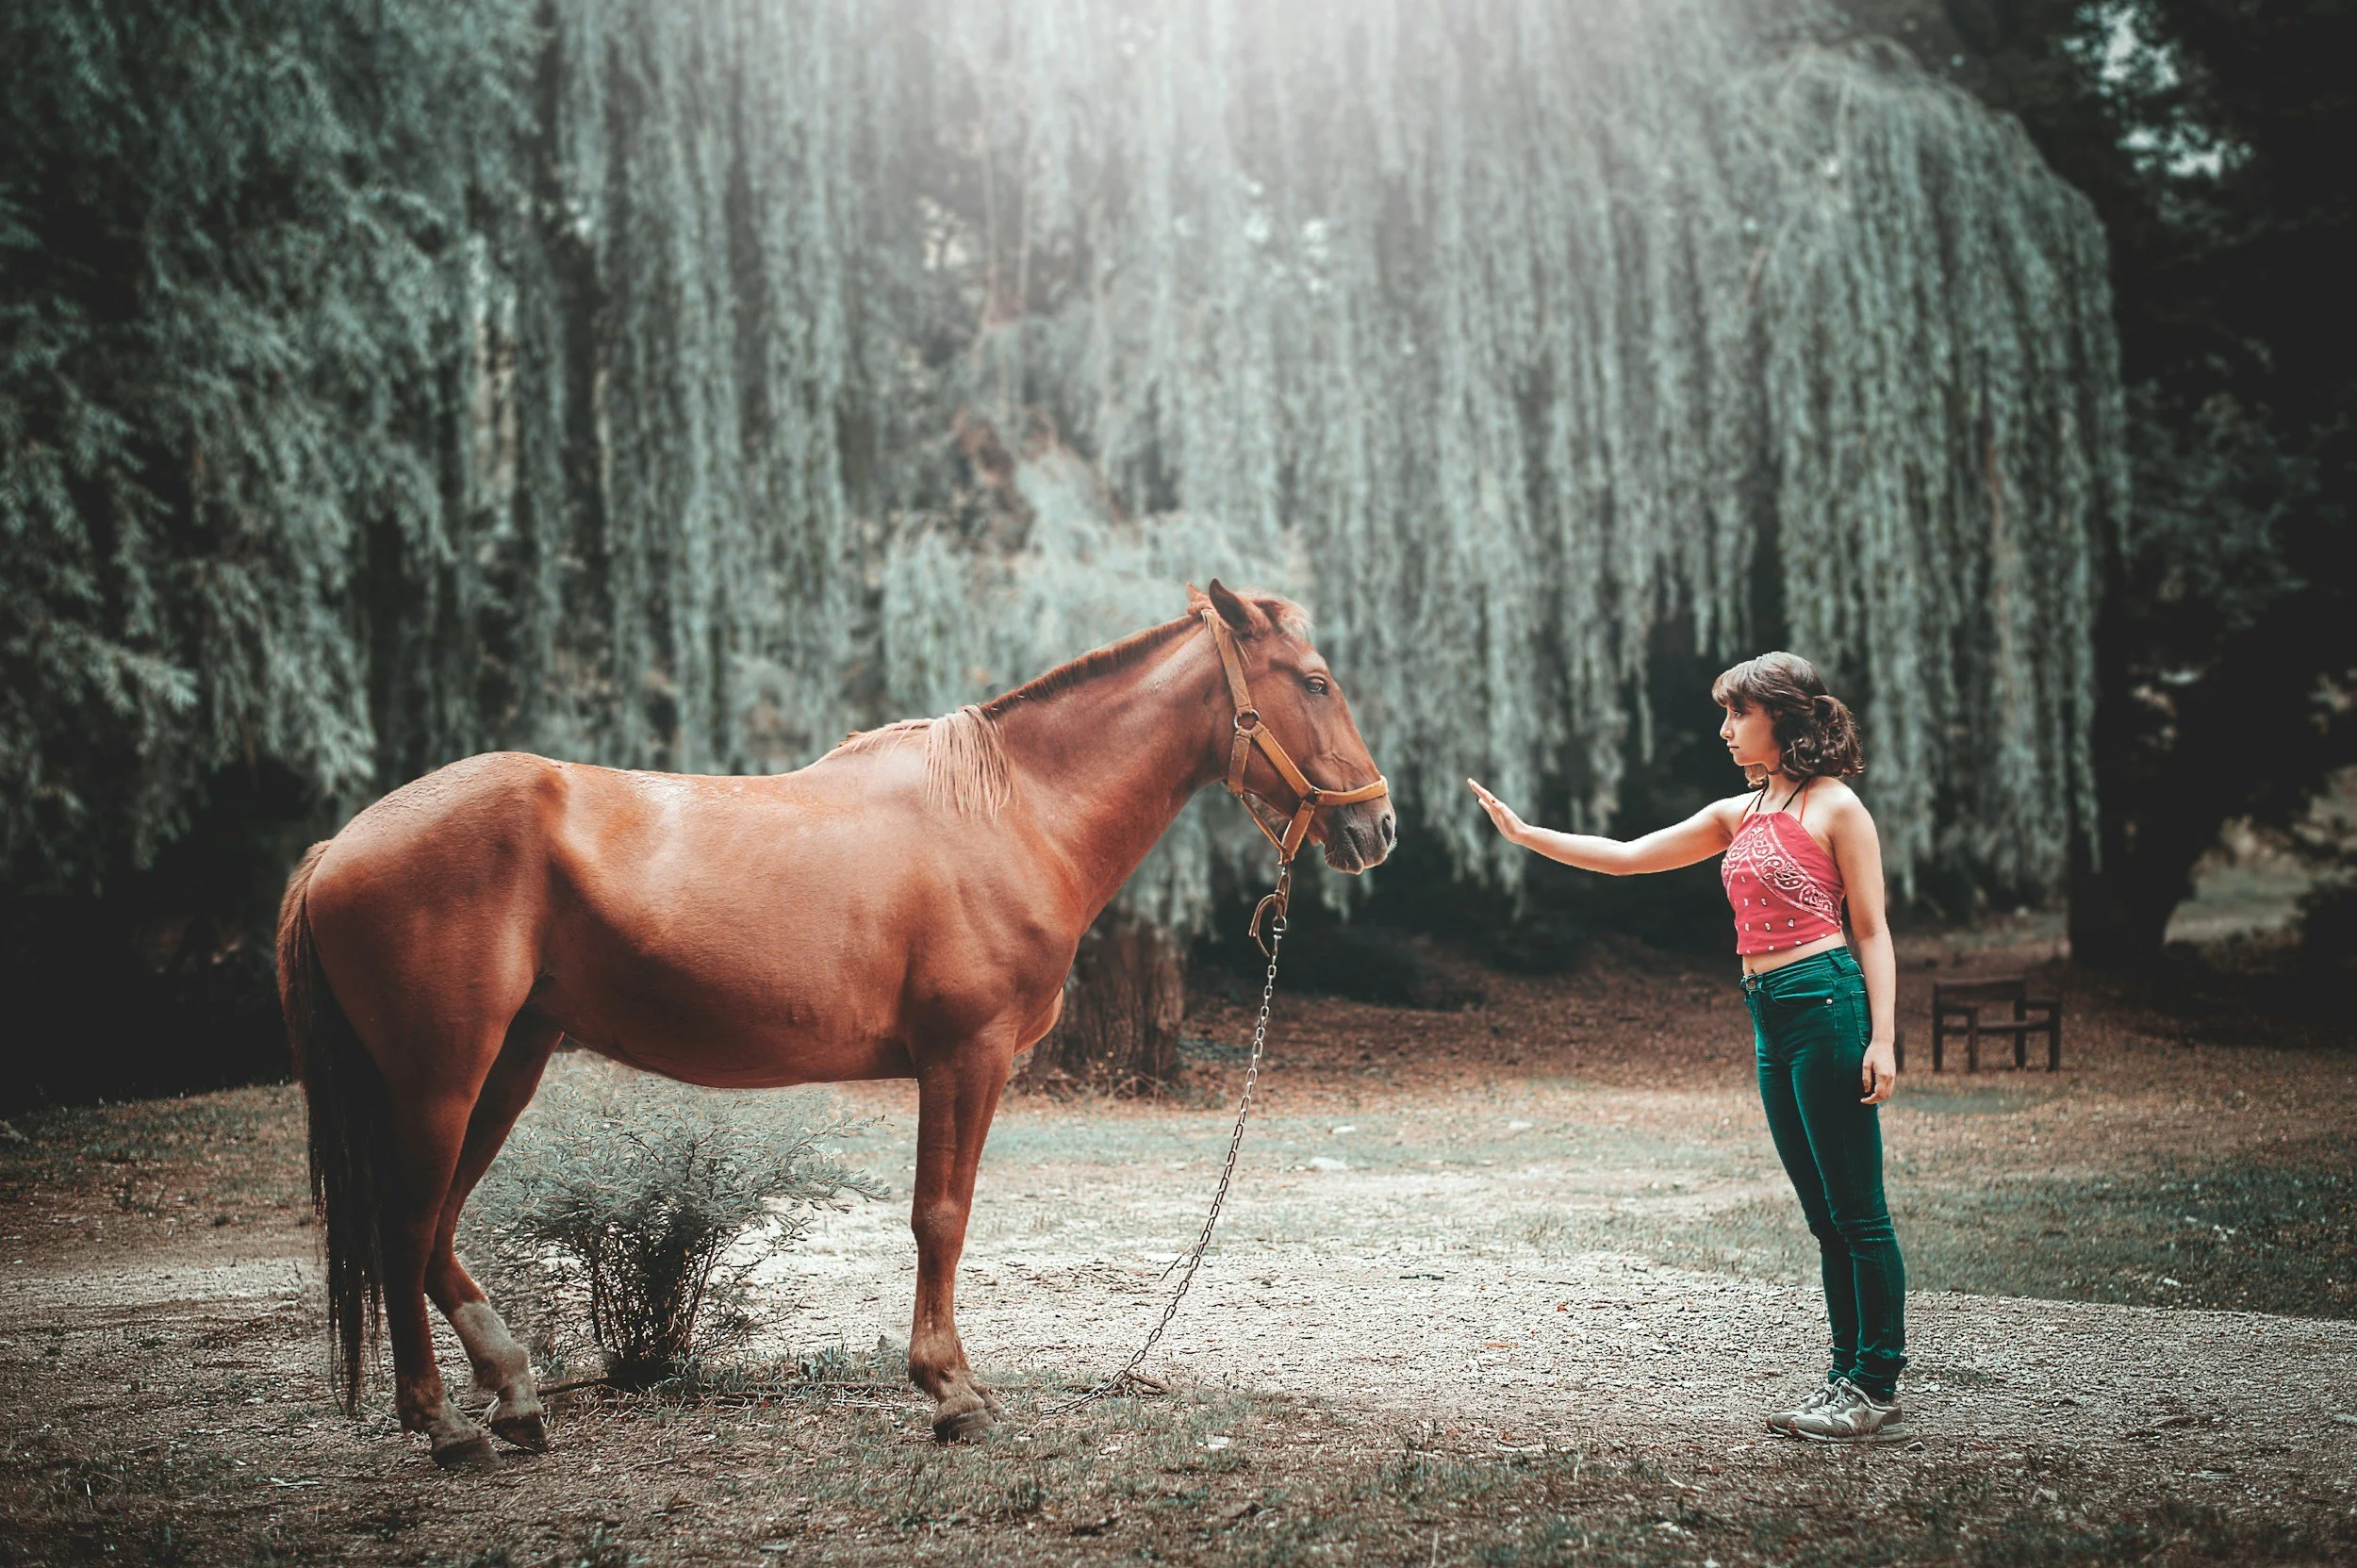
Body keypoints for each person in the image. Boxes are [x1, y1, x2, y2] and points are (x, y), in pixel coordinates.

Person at [1467, 652, 1905, 1442]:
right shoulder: (1739, 813)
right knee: (1822, 1214)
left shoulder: (1838, 807)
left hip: (1827, 1001)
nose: (1725, 729)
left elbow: (1871, 929)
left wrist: (1883, 1037)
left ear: (1782, 715)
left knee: (1858, 1212)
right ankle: (1844, 1376)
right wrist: (1527, 834)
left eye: (1738, 713)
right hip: (1770, 1012)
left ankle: (1875, 1385)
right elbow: (1631, 856)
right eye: (1726, 713)